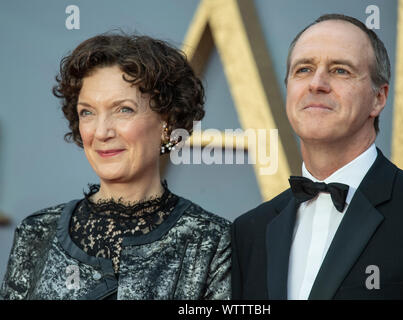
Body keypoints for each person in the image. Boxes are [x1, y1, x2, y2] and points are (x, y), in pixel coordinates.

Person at [231, 14, 403, 300]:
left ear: (378, 98)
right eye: (303, 69)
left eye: (340, 71)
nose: (317, 84)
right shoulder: (249, 231)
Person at [0, 33, 231, 300]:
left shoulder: (211, 242)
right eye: (87, 112)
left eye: (123, 110)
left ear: (167, 122)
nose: (101, 132)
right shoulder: (37, 233)